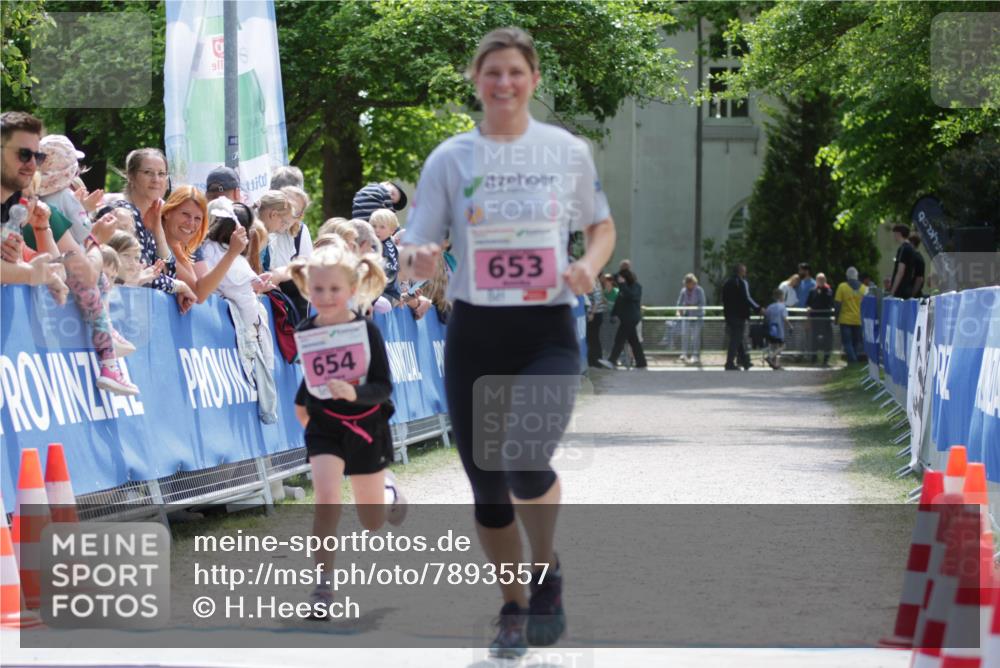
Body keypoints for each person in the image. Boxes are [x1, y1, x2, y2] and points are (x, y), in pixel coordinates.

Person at [397, 27, 615, 658]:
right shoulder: (450, 158)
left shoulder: (565, 151)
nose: (504, 83)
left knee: (524, 458)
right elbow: (416, 246)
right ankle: (513, 609)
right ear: (476, 80)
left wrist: (589, 265)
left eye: (516, 72)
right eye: (492, 72)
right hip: (476, 334)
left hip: (545, 331)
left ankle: (545, 575)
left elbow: (600, 227)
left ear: (533, 80)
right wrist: (418, 257)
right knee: (489, 487)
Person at [288, 244, 406, 615]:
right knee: (326, 501)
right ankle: (322, 590)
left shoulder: (365, 329)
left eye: (334, 290)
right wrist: (305, 412)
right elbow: (313, 379)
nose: (325, 297)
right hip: (325, 425)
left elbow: (384, 386)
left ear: (352, 290)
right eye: (318, 289)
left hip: (366, 424)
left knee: (372, 522)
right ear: (308, 288)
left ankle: (386, 491)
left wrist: (354, 392)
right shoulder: (307, 327)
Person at [1, 112, 138, 394]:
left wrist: (42, 234)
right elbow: (83, 274)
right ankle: (109, 356)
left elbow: (56, 269)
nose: (32, 166)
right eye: (23, 154)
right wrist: (94, 241)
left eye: (38, 158)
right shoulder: (52, 202)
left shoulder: (22, 205)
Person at [721, 263, 763, 371]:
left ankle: (745, 361)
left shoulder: (727, 283)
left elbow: (724, 300)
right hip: (739, 315)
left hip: (729, 315)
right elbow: (747, 298)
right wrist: (758, 308)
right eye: (744, 270)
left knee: (737, 339)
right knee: (735, 340)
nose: (745, 272)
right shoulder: (741, 282)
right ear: (740, 272)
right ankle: (729, 363)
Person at [608, 267, 647, 368]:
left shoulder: (636, 287)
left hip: (631, 319)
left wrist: (623, 284)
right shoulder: (622, 288)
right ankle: (641, 363)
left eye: (621, 278)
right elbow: (618, 302)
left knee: (619, 340)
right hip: (626, 319)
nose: (618, 281)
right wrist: (613, 314)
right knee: (634, 342)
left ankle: (612, 360)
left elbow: (630, 296)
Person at [834, 266, 868, 363]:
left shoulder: (842, 287)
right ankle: (853, 361)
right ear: (857, 276)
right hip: (858, 320)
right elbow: (867, 306)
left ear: (847, 276)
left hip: (845, 320)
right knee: (856, 343)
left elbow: (837, 304)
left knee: (847, 343)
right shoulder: (864, 289)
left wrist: (836, 318)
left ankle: (853, 362)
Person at [370, 208, 401, 303]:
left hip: (384, 294)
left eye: (382, 227)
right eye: (374, 226)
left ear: (392, 231)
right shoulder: (371, 244)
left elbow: (390, 273)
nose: (377, 230)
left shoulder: (388, 247)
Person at [805, 272, 835, 366]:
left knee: (827, 340)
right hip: (815, 319)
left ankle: (826, 360)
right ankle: (813, 359)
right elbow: (808, 303)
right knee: (814, 339)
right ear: (816, 280)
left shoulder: (828, 291)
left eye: (822, 280)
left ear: (825, 280)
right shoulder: (812, 291)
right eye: (819, 280)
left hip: (825, 319)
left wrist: (823, 290)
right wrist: (808, 307)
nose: (821, 281)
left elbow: (829, 303)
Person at [677, 273, 706, 365]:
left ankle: (695, 356)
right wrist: (679, 311)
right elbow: (679, 303)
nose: (688, 285)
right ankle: (684, 354)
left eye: (689, 283)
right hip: (686, 316)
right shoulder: (683, 291)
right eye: (686, 283)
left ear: (693, 282)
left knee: (695, 337)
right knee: (684, 335)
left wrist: (693, 306)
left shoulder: (699, 290)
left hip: (697, 317)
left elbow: (702, 304)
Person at [764, 288, 792, 370]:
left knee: (775, 347)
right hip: (779, 330)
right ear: (781, 297)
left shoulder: (770, 306)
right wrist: (790, 326)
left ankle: (775, 364)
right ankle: (770, 357)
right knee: (782, 346)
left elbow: (766, 317)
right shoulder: (782, 307)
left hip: (771, 330)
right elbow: (784, 318)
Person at [889, 224, 917, 298]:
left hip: (900, 290)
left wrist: (892, 292)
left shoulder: (903, 249)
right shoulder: (912, 249)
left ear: (899, 234)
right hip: (908, 288)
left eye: (894, 234)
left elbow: (900, 271)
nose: (894, 236)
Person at [585, 277, 608, 367]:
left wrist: (592, 313)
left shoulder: (593, 283)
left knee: (593, 338)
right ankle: (594, 360)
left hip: (595, 314)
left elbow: (597, 301)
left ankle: (595, 361)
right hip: (596, 314)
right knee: (593, 338)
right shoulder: (596, 282)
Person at [909, 232, 926, 298]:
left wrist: (912, 295)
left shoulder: (917, 258)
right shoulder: (911, 257)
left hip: (914, 296)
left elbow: (919, 279)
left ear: (912, 243)